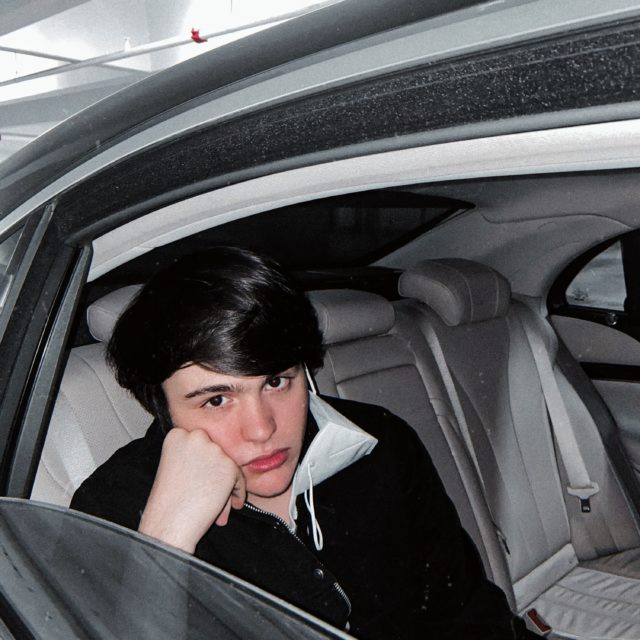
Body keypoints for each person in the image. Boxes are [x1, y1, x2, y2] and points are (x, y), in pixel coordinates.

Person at [71, 246, 536, 639]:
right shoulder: (113, 506)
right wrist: (164, 543)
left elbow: (467, 610)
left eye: (276, 382)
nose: (261, 429)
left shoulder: (380, 441)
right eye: (216, 400)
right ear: (161, 406)